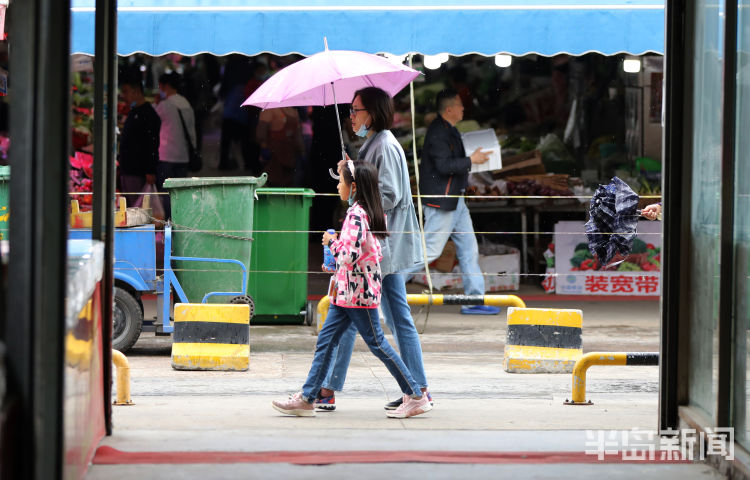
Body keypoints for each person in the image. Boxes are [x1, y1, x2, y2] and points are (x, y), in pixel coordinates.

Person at [272, 161, 432, 419]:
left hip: (358, 296)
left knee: (378, 344)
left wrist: (332, 243)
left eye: (341, 182)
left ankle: (416, 395)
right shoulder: (364, 211)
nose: (337, 186)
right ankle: (307, 397)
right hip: (347, 294)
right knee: (326, 342)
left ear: (354, 187)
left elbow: (349, 254)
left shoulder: (357, 215)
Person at [314, 87, 430, 413]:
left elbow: (389, 195)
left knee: (381, 318)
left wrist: (357, 188)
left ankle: (416, 389)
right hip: (377, 248)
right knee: (364, 315)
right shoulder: (375, 144)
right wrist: (353, 174)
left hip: (382, 250)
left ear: (373, 113)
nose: (351, 116)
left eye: (356, 110)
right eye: (350, 110)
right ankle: (413, 388)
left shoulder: (386, 146)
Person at [419, 88, 500, 315]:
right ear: (449, 109)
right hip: (442, 201)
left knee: (469, 248)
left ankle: (474, 299)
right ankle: (390, 286)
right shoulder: (438, 133)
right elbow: (444, 166)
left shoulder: (449, 130)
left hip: (456, 199)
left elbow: (452, 164)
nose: (464, 108)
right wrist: (471, 160)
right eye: (460, 105)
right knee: (430, 251)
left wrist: (467, 177)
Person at [154, 72, 196, 219]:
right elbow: (192, 131)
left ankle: (169, 224)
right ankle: (179, 222)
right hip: (183, 156)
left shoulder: (164, 105)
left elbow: (154, 124)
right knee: (180, 193)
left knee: (166, 193)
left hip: (166, 155)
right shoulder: (186, 103)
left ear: (165, 86)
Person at [118, 76, 160, 208]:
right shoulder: (134, 111)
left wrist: (150, 170)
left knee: (137, 212)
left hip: (137, 173)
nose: (123, 95)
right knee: (130, 209)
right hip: (127, 170)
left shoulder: (149, 115)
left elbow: (153, 144)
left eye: (125, 91)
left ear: (136, 91)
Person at [256, 107, 304, 187]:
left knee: (288, 182)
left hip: (290, 154)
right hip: (275, 154)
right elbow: (260, 134)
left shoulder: (294, 111)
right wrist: (264, 148)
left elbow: (298, 134)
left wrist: (302, 151)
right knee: (273, 180)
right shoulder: (270, 109)